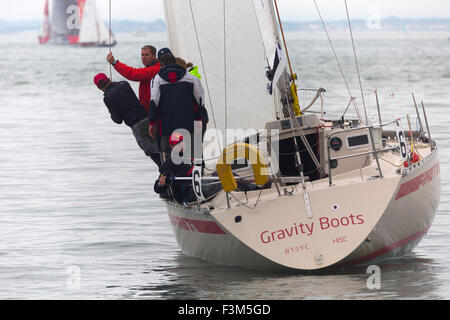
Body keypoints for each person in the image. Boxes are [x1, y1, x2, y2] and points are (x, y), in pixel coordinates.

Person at [94, 73, 161, 169]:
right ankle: (172, 169)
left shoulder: (108, 97)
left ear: (98, 87)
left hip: (137, 125)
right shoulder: (124, 84)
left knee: (151, 151)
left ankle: (165, 171)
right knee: (161, 146)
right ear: (108, 79)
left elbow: (117, 120)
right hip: (148, 119)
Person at [149, 53, 205, 161]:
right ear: (174, 62)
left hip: (166, 125)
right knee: (191, 153)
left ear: (162, 64)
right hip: (188, 122)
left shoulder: (158, 79)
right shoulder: (190, 77)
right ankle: (193, 174)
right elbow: (199, 99)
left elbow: (154, 101)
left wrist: (152, 122)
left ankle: (169, 175)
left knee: (168, 154)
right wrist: (199, 118)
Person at [107, 45, 160, 111]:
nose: (143, 57)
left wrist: (114, 63)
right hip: (149, 109)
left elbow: (132, 74)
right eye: (142, 55)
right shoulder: (151, 68)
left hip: (153, 111)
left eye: (146, 55)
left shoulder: (154, 69)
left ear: (154, 55)